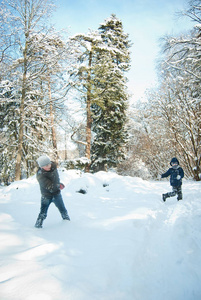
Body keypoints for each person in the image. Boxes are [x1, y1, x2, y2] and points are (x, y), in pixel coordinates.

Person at [35, 155, 70, 228]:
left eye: (49, 164)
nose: (48, 166)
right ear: (41, 167)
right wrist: (58, 186)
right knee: (43, 212)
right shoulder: (40, 175)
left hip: (57, 194)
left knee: (63, 209)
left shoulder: (53, 167)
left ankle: (67, 223)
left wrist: (59, 184)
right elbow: (50, 186)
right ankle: (38, 226)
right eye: (46, 165)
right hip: (46, 196)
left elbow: (56, 179)